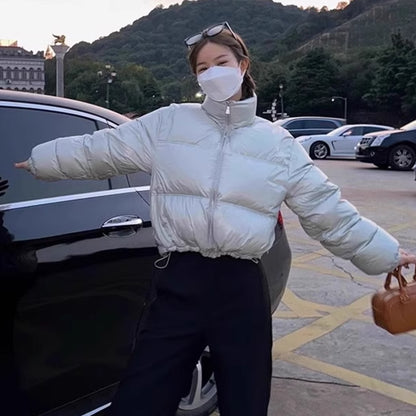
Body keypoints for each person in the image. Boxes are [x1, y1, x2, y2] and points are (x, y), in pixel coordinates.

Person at [15, 22, 416, 416]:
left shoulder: (278, 144)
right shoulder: (170, 123)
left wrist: (387, 253)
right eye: (202, 68)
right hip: (178, 282)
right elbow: (100, 150)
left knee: (245, 400)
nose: (212, 73)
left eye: (220, 62)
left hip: (241, 288)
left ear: (243, 65)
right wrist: (38, 161)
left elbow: (328, 211)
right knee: (141, 396)